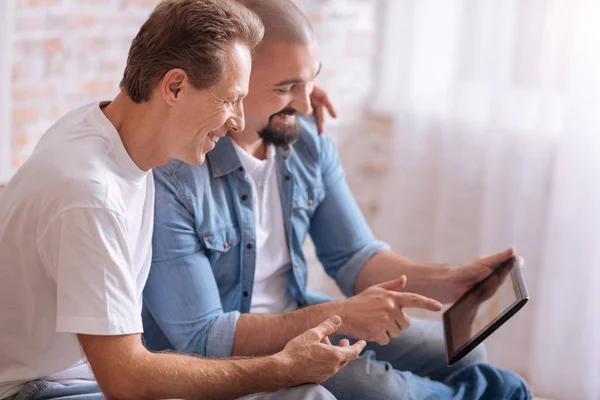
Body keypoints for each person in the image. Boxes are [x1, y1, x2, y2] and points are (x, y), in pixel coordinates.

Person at [144, 0, 534, 399]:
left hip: (298, 311)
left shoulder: (305, 143)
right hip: (233, 355)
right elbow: (203, 337)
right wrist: (341, 314)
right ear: (234, 83)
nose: (307, 103)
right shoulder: (173, 176)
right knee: (385, 390)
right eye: (286, 87)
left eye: (311, 80)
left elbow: (355, 257)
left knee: (464, 356)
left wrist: (451, 281)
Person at [0, 1, 366, 399]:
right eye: (230, 100)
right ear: (174, 86)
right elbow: (127, 381)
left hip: (79, 374)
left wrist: (291, 92)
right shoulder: (91, 198)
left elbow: (179, 46)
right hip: (39, 388)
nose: (239, 121)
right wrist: (280, 367)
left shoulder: (99, 126)